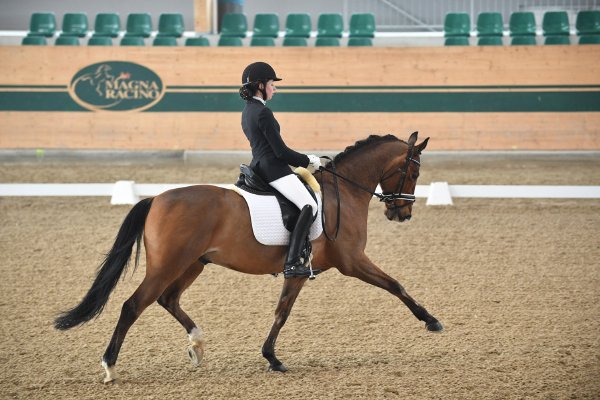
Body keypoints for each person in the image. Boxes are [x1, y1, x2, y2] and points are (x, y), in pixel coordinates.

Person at [239, 61, 322, 279]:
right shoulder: (263, 112)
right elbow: (281, 152)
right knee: (309, 204)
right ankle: (293, 262)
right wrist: (308, 160)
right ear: (259, 85)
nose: (274, 88)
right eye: (271, 84)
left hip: (258, 165)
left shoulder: (247, 111)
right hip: (273, 168)